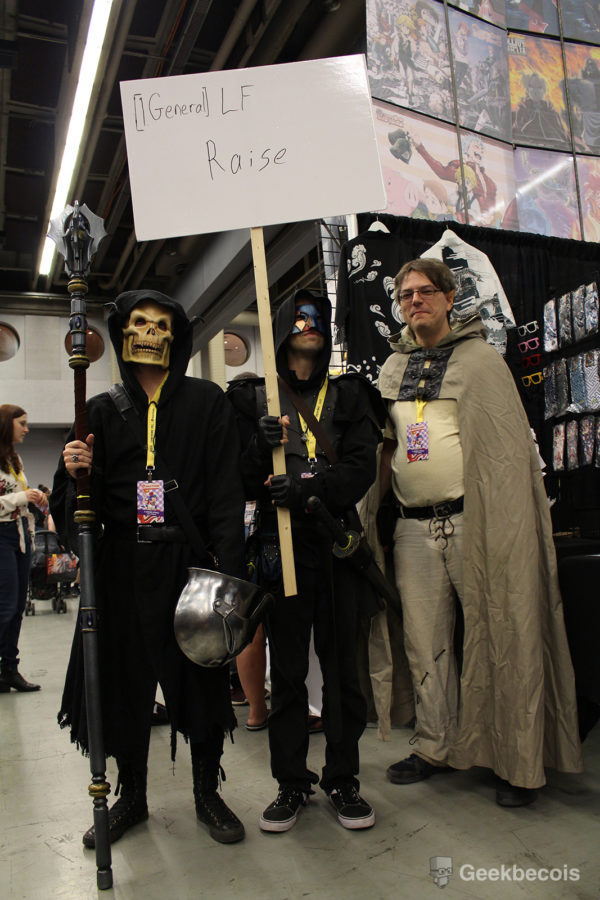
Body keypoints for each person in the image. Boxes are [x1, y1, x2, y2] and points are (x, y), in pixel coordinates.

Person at [377, 259, 583, 807]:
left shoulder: (481, 361)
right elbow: (382, 449)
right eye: (405, 295)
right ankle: (434, 745)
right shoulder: (392, 369)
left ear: (449, 298)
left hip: (477, 521)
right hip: (412, 529)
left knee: (502, 630)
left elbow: (506, 453)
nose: (415, 301)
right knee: (424, 642)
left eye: (425, 291)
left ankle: (514, 758)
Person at [51, 290, 247, 848]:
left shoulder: (207, 401)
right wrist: (76, 469)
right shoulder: (98, 411)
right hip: (122, 567)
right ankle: (131, 795)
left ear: (177, 337)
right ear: (122, 334)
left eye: (162, 324)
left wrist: (229, 575)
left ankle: (207, 792)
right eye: (139, 322)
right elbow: (75, 506)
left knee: (200, 680)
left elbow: (226, 493)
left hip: (189, 565)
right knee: (123, 683)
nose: (150, 332)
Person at [228, 290, 385, 833]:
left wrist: (310, 490)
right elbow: (238, 477)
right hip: (281, 548)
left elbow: (362, 467)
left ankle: (342, 779)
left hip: (336, 544)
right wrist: (258, 446)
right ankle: (291, 782)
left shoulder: (350, 396)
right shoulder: (252, 398)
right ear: (280, 328)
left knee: (342, 671)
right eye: (299, 317)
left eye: (318, 317)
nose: (310, 324)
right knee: (289, 673)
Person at [0, 404, 47, 692]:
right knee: (5, 605)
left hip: (20, 535)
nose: (27, 429)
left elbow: (19, 496)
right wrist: (20, 498)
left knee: (17, 607)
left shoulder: (14, 460)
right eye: (22, 423)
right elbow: (13, 499)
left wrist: (35, 497)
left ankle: (9, 670)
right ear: (7, 424)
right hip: (1, 535)